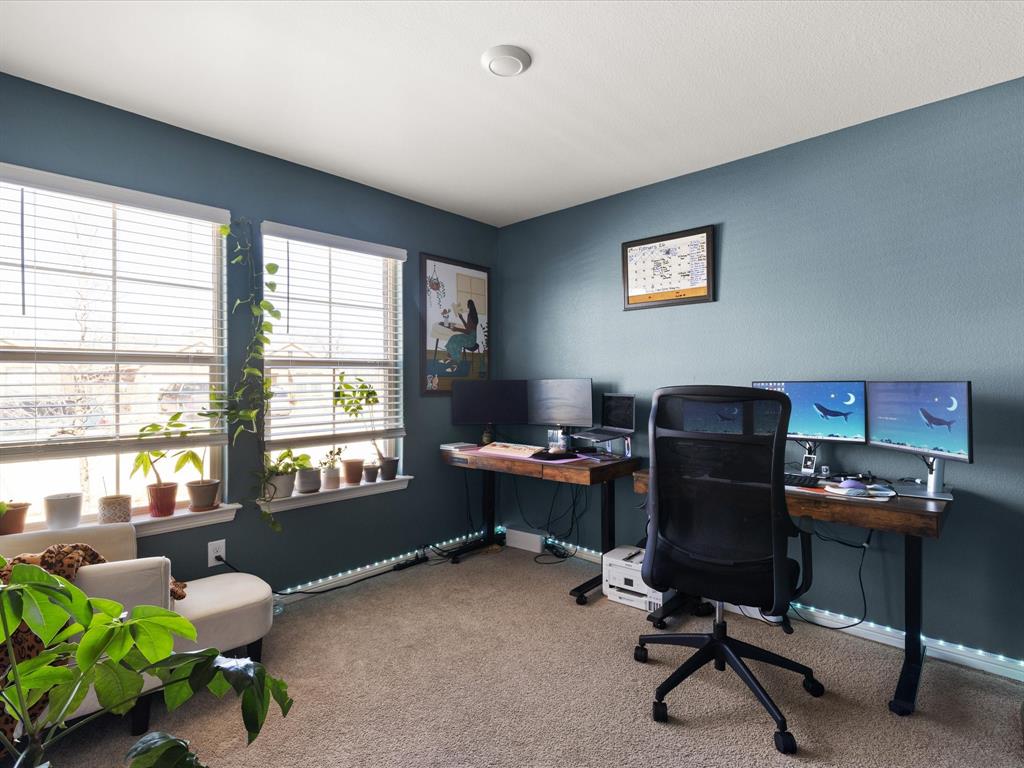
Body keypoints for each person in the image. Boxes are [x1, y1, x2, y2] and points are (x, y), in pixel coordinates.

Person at [443, 299, 479, 373]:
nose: (467, 306)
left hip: (471, 340)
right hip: (469, 336)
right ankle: (448, 357)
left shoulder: (471, 315)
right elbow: (467, 328)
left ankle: (455, 365)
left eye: (467, 305)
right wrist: (461, 318)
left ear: (469, 306)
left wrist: (456, 329)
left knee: (457, 342)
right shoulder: (472, 314)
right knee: (453, 338)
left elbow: (468, 331)